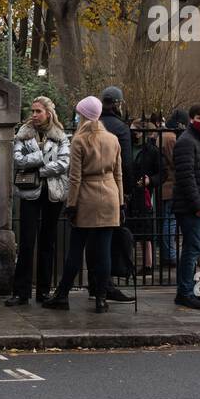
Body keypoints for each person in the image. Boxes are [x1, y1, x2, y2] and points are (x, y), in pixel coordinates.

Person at [44, 95, 124, 313]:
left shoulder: (80, 140)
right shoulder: (112, 139)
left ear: (84, 115)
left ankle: (62, 295)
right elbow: (118, 174)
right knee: (104, 251)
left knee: (76, 250)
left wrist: (71, 205)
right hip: (110, 196)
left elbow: (75, 177)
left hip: (87, 198)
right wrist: (121, 201)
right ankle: (101, 298)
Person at [8, 96, 69, 305]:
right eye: (32, 111)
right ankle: (21, 292)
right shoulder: (23, 134)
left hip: (53, 193)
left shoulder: (60, 135)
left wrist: (38, 169)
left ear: (48, 113)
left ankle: (43, 291)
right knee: (26, 242)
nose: (34, 115)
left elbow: (64, 163)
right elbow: (18, 160)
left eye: (38, 111)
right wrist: (42, 157)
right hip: (29, 192)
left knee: (48, 242)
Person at [172, 104, 200, 309]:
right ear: (191, 119)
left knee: (194, 249)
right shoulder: (187, 142)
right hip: (190, 207)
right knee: (191, 250)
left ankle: (190, 290)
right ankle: (185, 292)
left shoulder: (197, 141)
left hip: (197, 205)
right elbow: (186, 176)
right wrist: (199, 204)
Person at [96, 86, 135, 301]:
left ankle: (96, 284)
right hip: (111, 188)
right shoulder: (120, 128)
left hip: (88, 193)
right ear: (118, 104)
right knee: (109, 239)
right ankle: (107, 286)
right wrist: (127, 192)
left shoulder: (91, 126)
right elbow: (126, 164)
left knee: (93, 241)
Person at [130, 118, 164, 273]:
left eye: (134, 130)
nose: (132, 133)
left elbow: (163, 173)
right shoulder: (127, 146)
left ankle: (148, 264)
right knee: (128, 228)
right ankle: (127, 264)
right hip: (129, 192)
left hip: (144, 194)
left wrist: (151, 180)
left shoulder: (152, 150)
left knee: (146, 230)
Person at [158, 109, 185, 270]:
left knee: (167, 221)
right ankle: (170, 256)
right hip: (170, 184)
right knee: (170, 221)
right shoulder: (171, 138)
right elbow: (175, 162)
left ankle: (167, 255)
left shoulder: (162, 135)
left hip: (164, 184)